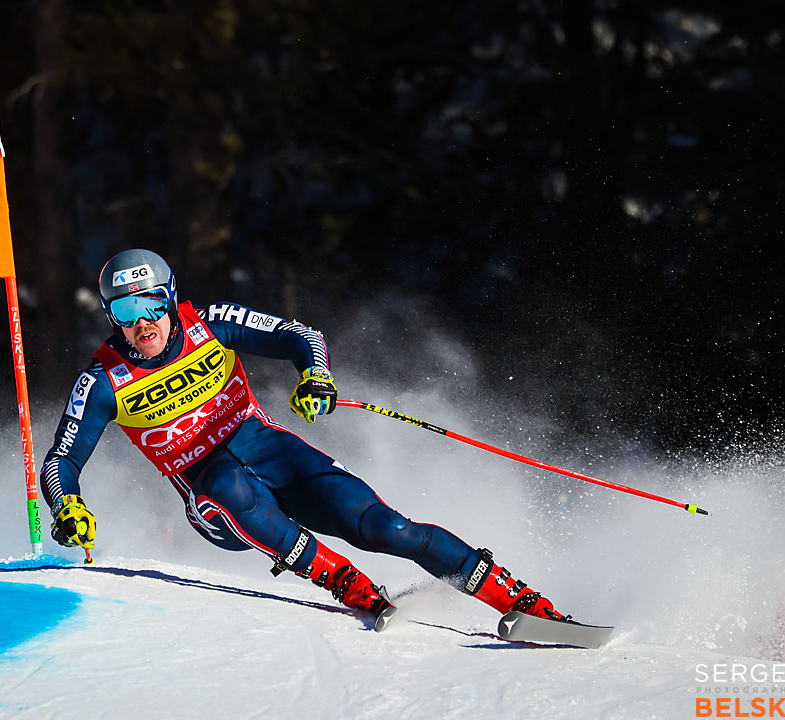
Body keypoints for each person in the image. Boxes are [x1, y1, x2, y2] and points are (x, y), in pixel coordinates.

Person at [39, 248, 567, 629]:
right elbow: (62, 459)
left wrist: (315, 375)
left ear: (171, 298)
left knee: (386, 527)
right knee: (225, 481)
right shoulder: (103, 380)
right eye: (126, 313)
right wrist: (67, 506)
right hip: (213, 499)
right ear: (111, 317)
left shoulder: (210, 324)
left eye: (152, 305)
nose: (143, 324)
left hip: (269, 452)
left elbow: (299, 335)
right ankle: (343, 580)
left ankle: (521, 602)